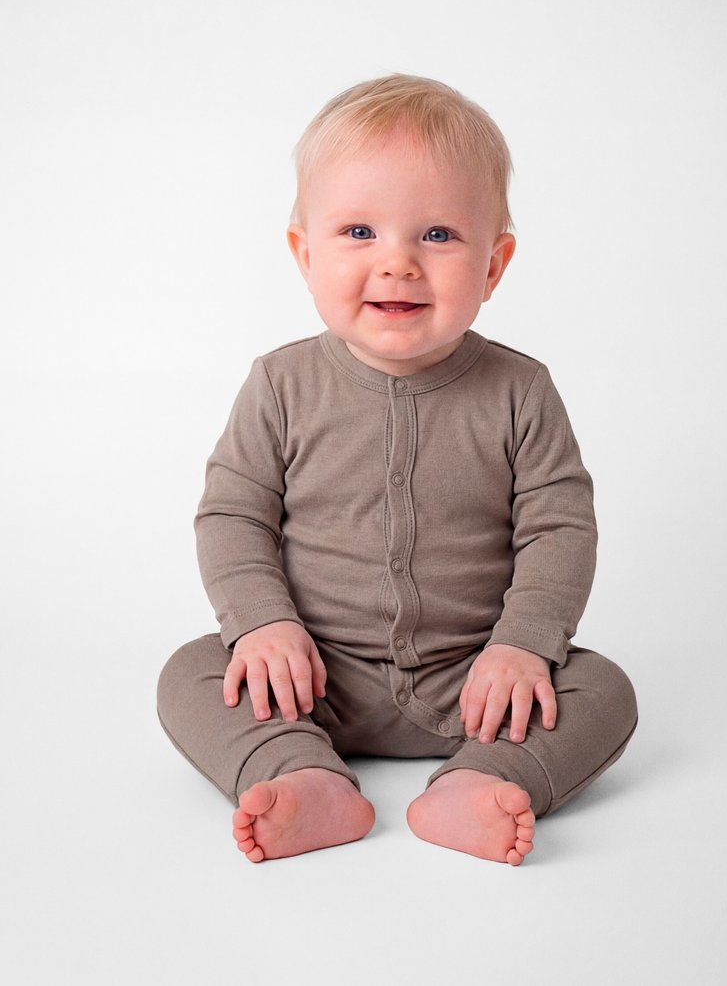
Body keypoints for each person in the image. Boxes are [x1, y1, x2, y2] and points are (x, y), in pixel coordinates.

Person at [156, 74, 638, 866]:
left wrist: (521, 646)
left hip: (477, 684)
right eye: (358, 233)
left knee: (605, 689)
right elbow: (234, 516)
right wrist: (262, 625)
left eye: (439, 236)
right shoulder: (282, 384)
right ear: (304, 256)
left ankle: (479, 781)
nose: (400, 264)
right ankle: (300, 771)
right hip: (309, 680)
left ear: (494, 265)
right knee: (191, 671)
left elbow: (560, 527)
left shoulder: (521, 391)